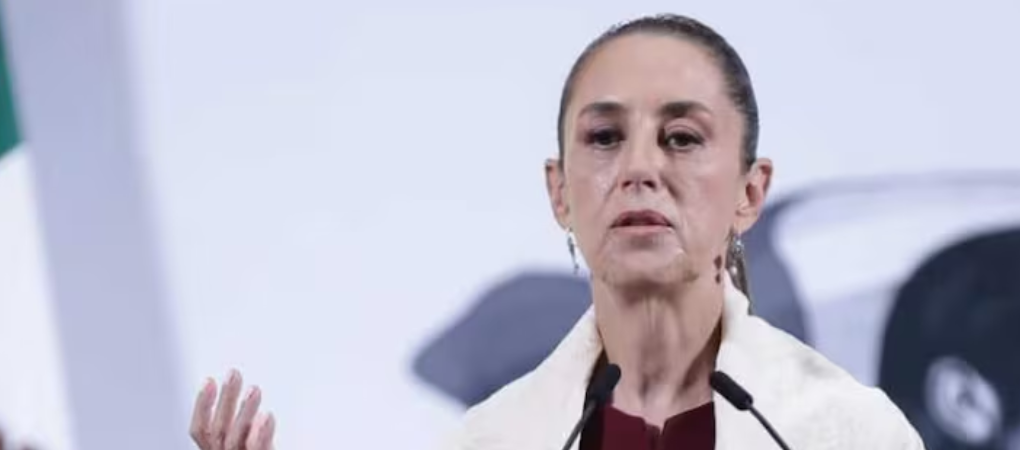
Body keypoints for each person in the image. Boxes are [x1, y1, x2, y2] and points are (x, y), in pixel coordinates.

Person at [190, 13, 926, 450]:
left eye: (680, 138)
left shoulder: (846, 432)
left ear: (750, 192)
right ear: (559, 192)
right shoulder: (496, 440)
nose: (640, 168)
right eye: (604, 138)